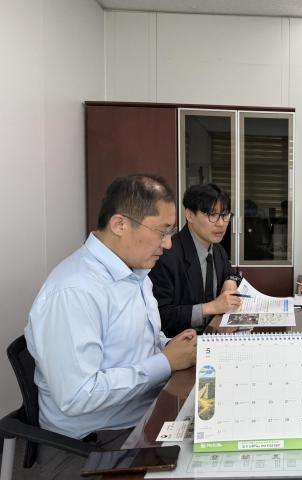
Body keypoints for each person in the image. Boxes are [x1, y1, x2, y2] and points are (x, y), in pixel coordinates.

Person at [24, 174, 197, 479]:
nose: (168, 244)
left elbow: (144, 338)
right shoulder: (75, 291)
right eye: (162, 232)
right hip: (96, 441)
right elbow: (78, 395)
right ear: (120, 224)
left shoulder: (135, 273)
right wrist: (165, 362)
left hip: (142, 412)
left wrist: (173, 346)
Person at [149, 184, 242, 337]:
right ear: (190, 215)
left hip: (215, 338)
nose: (221, 223)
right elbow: (160, 315)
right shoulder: (165, 254)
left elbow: (232, 274)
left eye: (225, 215)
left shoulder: (218, 250)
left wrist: (230, 281)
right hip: (180, 343)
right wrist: (211, 308)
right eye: (212, 214)